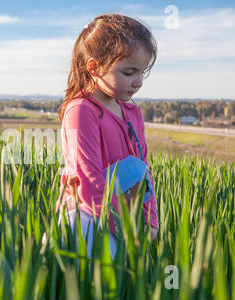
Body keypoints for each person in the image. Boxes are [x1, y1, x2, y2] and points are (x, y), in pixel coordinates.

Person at [54, 13, 159, 261]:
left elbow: (144, 171)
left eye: (142, 72)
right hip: (86, 221)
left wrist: (150, 220)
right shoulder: (80, 111)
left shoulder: (133, 112)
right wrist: (123, 230)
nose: (138, 82)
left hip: (126, 221)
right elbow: (89, 180)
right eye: (129, 72)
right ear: (94, 67)